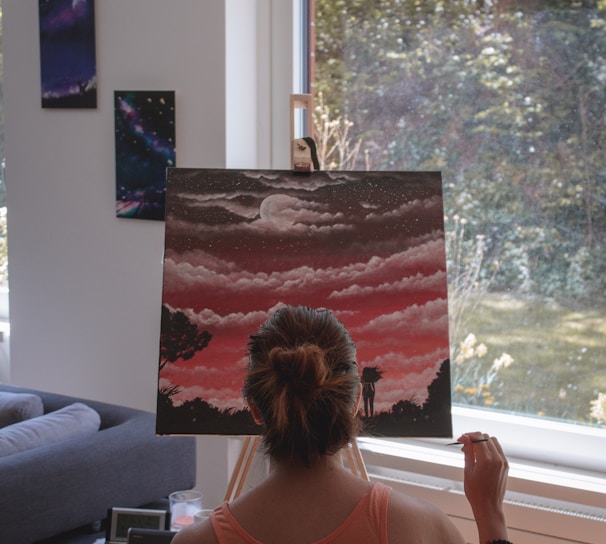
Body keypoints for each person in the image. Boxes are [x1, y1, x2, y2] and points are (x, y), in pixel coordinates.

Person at [173, 305, 511, 544]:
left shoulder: (198, 540)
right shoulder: (419, 528)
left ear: (255, 409)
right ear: (355, 402)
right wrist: (490, 512)